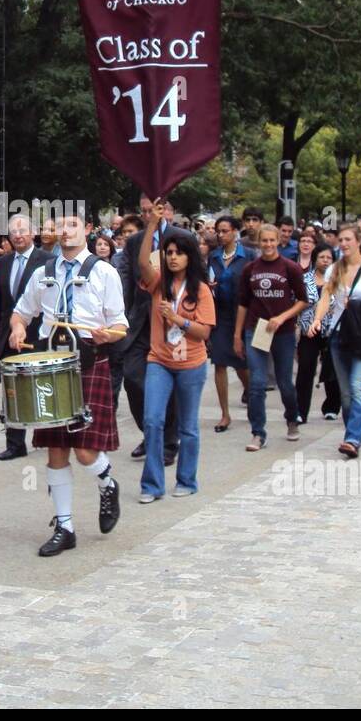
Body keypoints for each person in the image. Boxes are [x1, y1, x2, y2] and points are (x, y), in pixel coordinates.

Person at [8, 208, 126, 556]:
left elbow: (120, 324)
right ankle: (64, 526)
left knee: (86, 450)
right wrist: (16, 328)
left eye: (72, 225)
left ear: (88, 229)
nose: (64, 232)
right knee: (56, 448)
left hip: (89, 361)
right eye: (58, 226)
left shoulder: (104, 272)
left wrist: (108, 335)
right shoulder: (43, 272)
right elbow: (21, 311)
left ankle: (106, 482)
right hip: (52, 365)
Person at [136, 203, 215, 502]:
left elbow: (204, 332)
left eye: (178, 253)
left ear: (189, 256)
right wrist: (151, 228)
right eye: (168, 253)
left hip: (191, 364)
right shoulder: (159, 284)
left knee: (188, 427)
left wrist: (178, 319)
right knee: (153, 421)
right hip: (159, 361)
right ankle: (152, 485)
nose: (172, 257)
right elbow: (143, 263)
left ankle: (187, 480)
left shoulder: (202, 290)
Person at [307, 222, 361, 457]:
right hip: (340, 335)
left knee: (357, 387)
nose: (343, 244)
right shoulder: (334, 269)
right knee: (346, 393)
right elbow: (325, 297)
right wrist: (317, 320)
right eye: (341, 240)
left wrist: (358, 306)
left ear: (358, 242)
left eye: (348, 240)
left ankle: (353, 438)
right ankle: (354, 431)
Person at [120, 196, 183, 463]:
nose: (148, 216)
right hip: (140, 322)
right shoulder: (135, 242)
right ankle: (150, 431)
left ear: (166, 210)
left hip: (171, 321)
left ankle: (168, 441)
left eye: (152, 211)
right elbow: (128, 279)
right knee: (133, 378)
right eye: (144, 211)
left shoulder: (181, 237)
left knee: (167, 383)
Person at [234, 224, 307, 450]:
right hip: (257, 328)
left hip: (282, 332)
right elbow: (243, 303)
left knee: (285, 382)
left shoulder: (290, 267)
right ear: (258, 242)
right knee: (256, 383)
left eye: (271, 241)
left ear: (278, 241)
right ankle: (258, 432)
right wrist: (237, 334)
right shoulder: (250, 269)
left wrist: (283, 317)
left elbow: (303, 301)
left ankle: (292, 418)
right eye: (264, 241)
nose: (267, 245)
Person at [0, 214, 52, 460]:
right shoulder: (3, 263)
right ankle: (15, 443)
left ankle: (46, 434)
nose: (17, 235)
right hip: (9, 334)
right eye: (13, 231)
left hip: (37, 334)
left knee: (39, 385)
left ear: (33, 232)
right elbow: (2, 305)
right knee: (11, 389)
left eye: (22, 230)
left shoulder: (48, 261)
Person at [207, 215, 250, 432]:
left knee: (241, 362)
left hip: (243, 313)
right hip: (220, 314)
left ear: (235, 231)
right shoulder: (213, 257)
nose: (221, 235)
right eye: (218, 231)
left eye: (225, 231)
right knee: (220, 361)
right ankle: (225, 413)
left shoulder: (247, 256)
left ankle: (251, 392)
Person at [295, 245, 342, 423]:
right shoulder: (304, 279)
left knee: (332, 369)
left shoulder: (338, 279)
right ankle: (300, 410)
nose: (325, 260)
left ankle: (331, 407)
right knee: (306, 368)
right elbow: (297, 300)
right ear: (315, 258)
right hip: (309, 330)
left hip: (332, 329)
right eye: (321, 257)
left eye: (329, 258)